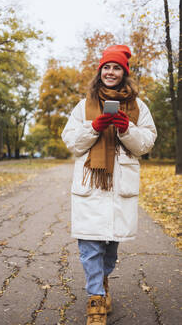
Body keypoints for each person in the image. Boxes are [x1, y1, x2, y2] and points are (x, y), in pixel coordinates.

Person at [61, 45, 157, 325]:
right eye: (106, 67)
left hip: (119, 188)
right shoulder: (83, 105)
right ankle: (95, 301)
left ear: (124, 73)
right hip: (90, 186)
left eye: (116, 68)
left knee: (110, 249)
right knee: (90, 246)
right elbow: (72, 142)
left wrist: (127, 128)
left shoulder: (139, 107)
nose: (110, 72)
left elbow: (146, 144)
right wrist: (95, 126)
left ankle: (102, 285)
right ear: (99, 71)